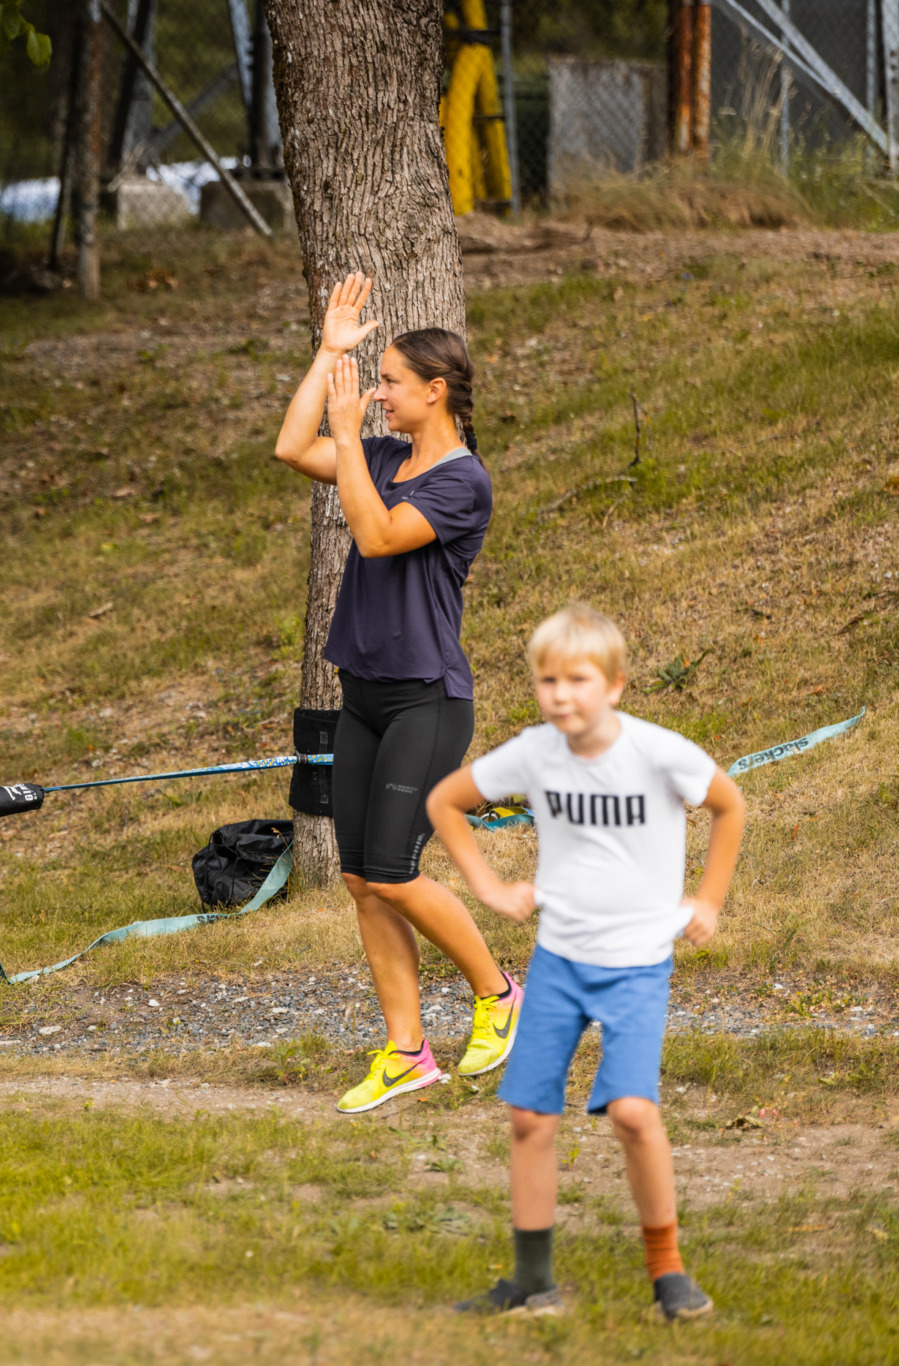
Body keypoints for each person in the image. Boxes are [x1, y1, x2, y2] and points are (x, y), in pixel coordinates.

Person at [429, 605, 743, 1321]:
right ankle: (532, 1283)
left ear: (617, 685)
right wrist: (489, 888)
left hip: (636, 965)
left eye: (577, 679)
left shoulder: (659, 752)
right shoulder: (535, 753)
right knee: (530, 1118)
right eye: (547, 680)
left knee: (633, 1113)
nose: (561, 695)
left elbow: (729, 806)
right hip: (560, 961)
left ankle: (668, 1273)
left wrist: (710, 900)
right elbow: (446, 801)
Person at [274, 272, 522, 1114]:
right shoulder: (379, 453)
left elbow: (378, 537)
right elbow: (288, 447)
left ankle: (499, 994)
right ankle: (407, 1050)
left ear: (435, 391)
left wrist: (347, 436)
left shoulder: (461, 482)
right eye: (372, 378)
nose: (376, 395)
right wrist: (327, 355)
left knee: (396, 872)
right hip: (364, 696)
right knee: (358, 879)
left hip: (427, 699)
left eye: (387, 382)